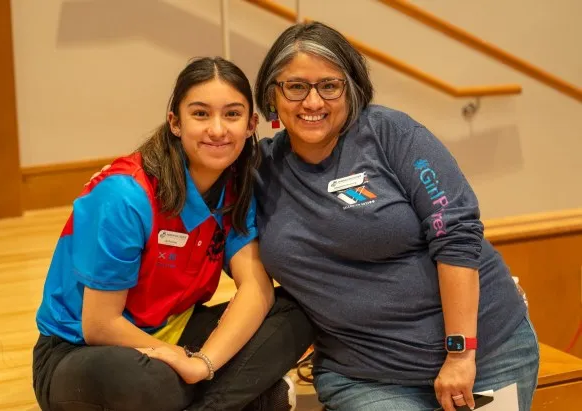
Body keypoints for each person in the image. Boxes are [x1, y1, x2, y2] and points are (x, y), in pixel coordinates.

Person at [253, 22, 539, 411]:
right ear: (273, 94)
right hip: (366, 377)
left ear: (351, 88)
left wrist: (459, 354)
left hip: (484, 353)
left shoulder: (390, 134)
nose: (313, 102)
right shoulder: (258, 172)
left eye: (329, 86)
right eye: (296, 86)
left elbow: (455, 234)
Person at [32, 57, 315, 411]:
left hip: (174, 332)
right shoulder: (126, 194)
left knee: (296, 311)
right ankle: (247, 399)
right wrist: (179, 358)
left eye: (231, 114)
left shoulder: (236, 186)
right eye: (200, 114)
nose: (217, 129)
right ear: (175, 122)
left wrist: (202, 363)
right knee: (146, 381)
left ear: (250, 124)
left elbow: (256, 287)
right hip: (84, 353)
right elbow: (100, 325)